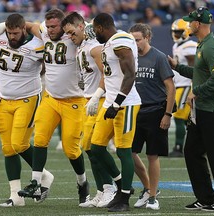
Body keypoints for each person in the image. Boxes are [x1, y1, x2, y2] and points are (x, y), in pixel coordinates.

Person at [0, 13, 54, 207]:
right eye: (10, 32)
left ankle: (43, 176)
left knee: (19, 144)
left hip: (28, 98)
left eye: (16, 33)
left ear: (23, 29)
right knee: (7, 149)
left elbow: (51, 62)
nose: (12, 37)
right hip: (4, 99)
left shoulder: (38, 44)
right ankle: (16, 196)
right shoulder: (0, 38)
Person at [14, 9, 90, 206]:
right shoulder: (44, 31)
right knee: (40, 138)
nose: (50, 30)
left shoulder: (74, 36)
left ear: (64, 26)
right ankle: (35, 183)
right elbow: (29, 25)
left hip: (74, 100)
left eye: (54, 26)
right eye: (48, 26)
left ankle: (82, 183)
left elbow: (88, 32)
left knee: (71, 149)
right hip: (51, 98)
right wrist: (6, 26)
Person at [168, 7, 214, 211]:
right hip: (202, 109)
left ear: (198, 24)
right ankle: (205, 197)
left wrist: (198, 91)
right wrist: (177, 67)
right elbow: (199, 72)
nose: (188, 24)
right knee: (192, 152)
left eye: (191, 21)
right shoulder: (203, 44)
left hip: (211, 109)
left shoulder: (210, 46)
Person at [61, 12, 116, 208]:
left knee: (95, 147)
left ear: (82, 26)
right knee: (88, 147)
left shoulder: (94, 46)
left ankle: (112, 187)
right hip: (88, 100)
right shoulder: (81, 47)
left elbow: (107, 74)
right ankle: (102, 190)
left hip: (99, 100)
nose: (69, 36)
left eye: (71, 31)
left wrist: (96, 95)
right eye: (66, 33)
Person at [89, 13, 141, 212]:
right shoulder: (111, 43)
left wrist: (117, 103)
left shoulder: (120, 40)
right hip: (110, 102)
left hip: (125, 104)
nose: (95, 34)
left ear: (101, 27)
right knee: (96, 148)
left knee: (123, 150)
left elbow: (130, 74)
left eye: (95, 30)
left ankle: (124, 198)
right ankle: (121, 185)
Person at [129, 23, 176, 210]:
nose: (135, 43)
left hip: (155, 110)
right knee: (128, 152)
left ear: (147, 37)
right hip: (134, 110)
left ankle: (153, 197)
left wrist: (167, 114)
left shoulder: (158, 57)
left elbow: (170, 87)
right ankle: (148, 188)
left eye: (138, 40)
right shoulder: (130, 57)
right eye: (132, 40)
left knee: (152, 155)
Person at [169, 19, 197, 157]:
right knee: (186, 120)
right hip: (180, 85)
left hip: (186, 84)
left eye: (179, 32)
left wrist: (193, 87)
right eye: (175, 32)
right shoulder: (178, 46)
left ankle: (179, 148)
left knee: (180, 117)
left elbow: (193, 67)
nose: (176, 35)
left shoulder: (190, 45)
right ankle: (191, 147)